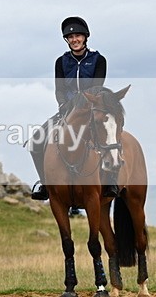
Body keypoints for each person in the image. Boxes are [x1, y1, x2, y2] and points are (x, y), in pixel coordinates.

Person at [29, 16, 119, 201]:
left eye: (78, 36)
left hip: (92, 109)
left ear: (85, 37)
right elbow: (59, 89)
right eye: (70, 37)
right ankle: (45, 184)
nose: (74, 40)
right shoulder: (61, 62)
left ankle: (111, 181)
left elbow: (97, 87)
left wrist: (86, 105)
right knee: (36, 141)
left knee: (108, 137)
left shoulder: (98, 60)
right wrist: (63, 105)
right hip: (67, 111)